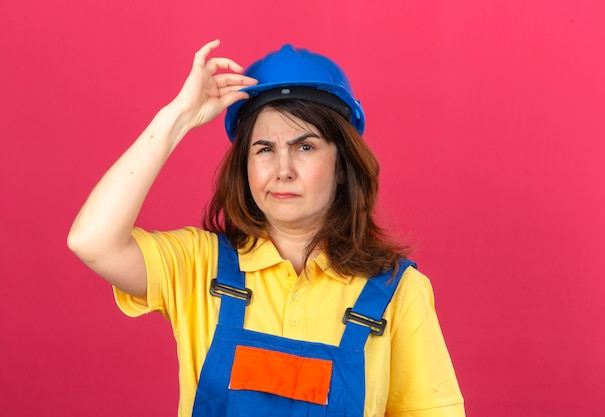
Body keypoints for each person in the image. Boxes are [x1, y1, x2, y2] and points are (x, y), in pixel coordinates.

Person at [68, 39, 465, 417]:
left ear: (343, 166)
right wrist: (177, 118)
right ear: (245, 165)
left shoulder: (397, 292)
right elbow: (92, 240)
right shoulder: (197, 266)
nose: (283, 171)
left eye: (305, 147)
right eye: (264, 150)